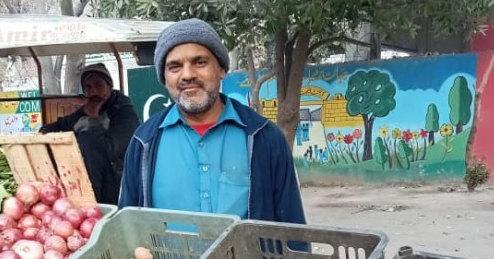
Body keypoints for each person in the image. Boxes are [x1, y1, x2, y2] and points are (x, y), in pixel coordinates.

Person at [118, 19, 305, 223]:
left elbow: (292, 230)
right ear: (164, 78)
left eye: (200, 62)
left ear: (222, 69)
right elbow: (128, 228)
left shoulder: (263, 137)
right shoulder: (144, 143)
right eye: (175, 67)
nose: (188, 75)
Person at [39, 63, 139, 204]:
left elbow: (109, 151)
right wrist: (44, 131)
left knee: (87, 139)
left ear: (109, 86)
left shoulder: (124, 114)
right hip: (85, 177)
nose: (93, 92)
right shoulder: (87, 109)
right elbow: (63, 124)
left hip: (117, 183)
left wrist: (93, 119)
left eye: (98, 85)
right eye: (88, 87)